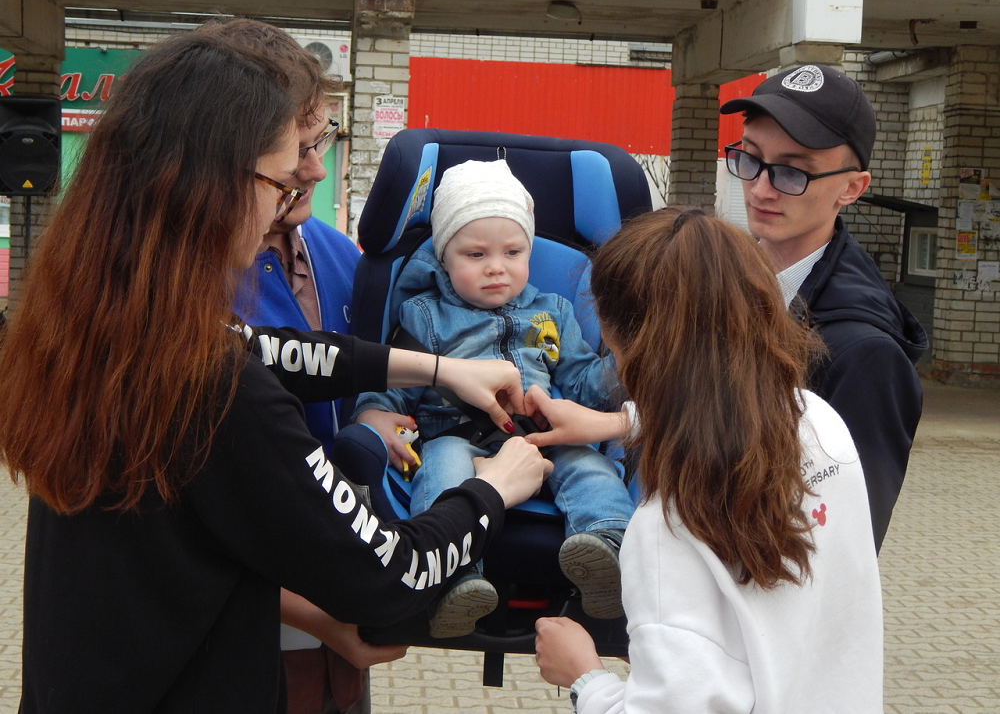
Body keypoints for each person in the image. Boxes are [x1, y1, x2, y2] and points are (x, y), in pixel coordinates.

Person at [0, 26, 552, 714]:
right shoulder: (217, 388)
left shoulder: (101, 325)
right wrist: (493, 488)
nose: (302, 183)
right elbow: (392, 574)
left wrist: (440, 370)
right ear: (211, 187)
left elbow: (283, 350)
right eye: (284, 174)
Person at [529, 209, 883, 713]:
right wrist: (615, 423)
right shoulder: (820, 423)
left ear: (624, 344)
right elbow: (720, 407)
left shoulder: (666, 531)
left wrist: (585, 677)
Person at [353, 159, 635, 638]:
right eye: (475, 254)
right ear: (444, 257)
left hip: (541, 436)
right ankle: (453, 574)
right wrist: (375, 412)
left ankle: (607, 547)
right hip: (456, 437)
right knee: (443, 469)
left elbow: (584, 381)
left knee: (589, 464)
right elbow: (394, 381)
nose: (496, 267)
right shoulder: (425, 315)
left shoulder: (554, 311)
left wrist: (626, 367)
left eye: (512, 252)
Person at [222, 19, 385, 714]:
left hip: (338, 581)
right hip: (242, 611)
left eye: (323, 141)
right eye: (300, 149)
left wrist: (377, 414)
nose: (318, 168)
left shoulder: (337, 251)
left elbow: (370, 374)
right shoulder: (177, 286)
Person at [719, 64, 928, 550]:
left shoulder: (864, 354)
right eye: (750, 159)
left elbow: (841, 546)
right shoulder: (723, 286)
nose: (761, 188)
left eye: (793, 171)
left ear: (852, 188)